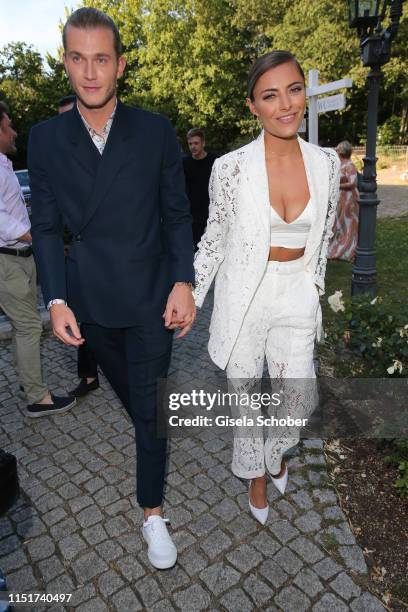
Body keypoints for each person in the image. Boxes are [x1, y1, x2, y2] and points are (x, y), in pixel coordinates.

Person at [28, 7, 195, 569]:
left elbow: (177, 215)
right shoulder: (46, 139)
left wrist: (183, 279)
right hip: (90, 302)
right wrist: (54, 298)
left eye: (102, 59)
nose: (90, 72)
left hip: (152, 297)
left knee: (151, 411)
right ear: (66, 63)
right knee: (144, 401)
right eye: (78, 58)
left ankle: (152, 512)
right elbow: (47, 227)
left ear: (120, 64)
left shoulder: (154, 130)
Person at [193, 51, 340, 524]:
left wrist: (314, 286)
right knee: (244, 396)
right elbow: (213, 240)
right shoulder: (230, 168)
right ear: (252, 106)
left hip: (296, 289)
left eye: (294, 89)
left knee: (297, 398)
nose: (285, 104)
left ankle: (276, 452)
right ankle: (256, 475)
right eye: (270, 95)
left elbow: (326, 235)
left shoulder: (327, 164)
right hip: (244, 295)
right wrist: (191, 298)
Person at [0, 101, 75, 417]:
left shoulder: (3, 163)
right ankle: (37, 398)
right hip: (8, 260)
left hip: (19, 258)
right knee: (30, 326)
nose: (14, 131)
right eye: (9, 126)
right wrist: (38, 237)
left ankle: (26, 379)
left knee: (23, 325)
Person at [58, 94, 100, 397]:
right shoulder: (57, 158)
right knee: (82, 316)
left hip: (117, 258)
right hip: (78, 255)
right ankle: (88, 376)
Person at [183, 128, 217, 249]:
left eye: (196, 143)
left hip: (213, 212)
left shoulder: (215, 161)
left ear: (203, 143)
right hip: (193, 217)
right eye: (190, 144)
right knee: (197, 251)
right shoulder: (184, 164)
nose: (193, 147)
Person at [327, 140, 359, 261]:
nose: (336, 150)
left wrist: (337, 186)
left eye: (337, 149)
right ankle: (335, 247)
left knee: (347, 223)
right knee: (336, 223)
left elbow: (352, 183)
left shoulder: (350, 166)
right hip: (339, 198)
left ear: (341, 151)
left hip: (349, 199)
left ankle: (346, 249)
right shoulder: (339, 164)